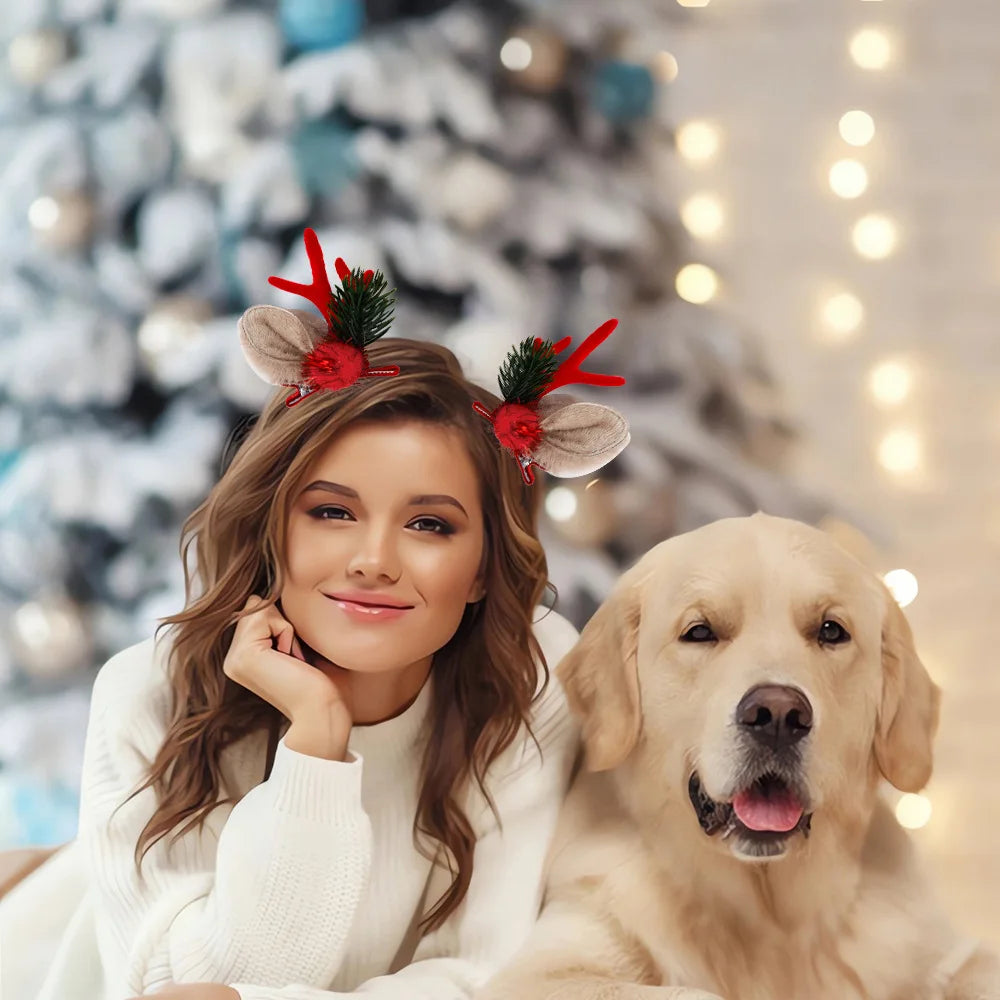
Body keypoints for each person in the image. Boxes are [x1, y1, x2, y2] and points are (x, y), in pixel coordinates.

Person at [0, 230, 630, 1000]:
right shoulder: (145, 696)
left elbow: (480, 974)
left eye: (430, 525)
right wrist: (315, 745)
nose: (373, 558)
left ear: (484, 569)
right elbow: (184, 990)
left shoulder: (528, 682)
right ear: (276, 528)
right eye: (332, 512)